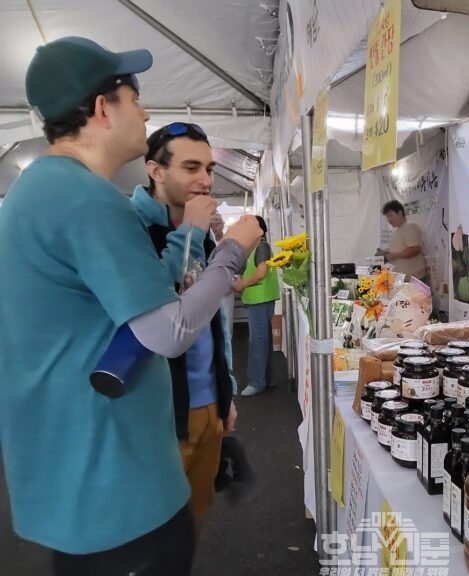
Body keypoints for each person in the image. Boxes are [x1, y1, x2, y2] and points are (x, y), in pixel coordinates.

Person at [0, 37, 262, 576]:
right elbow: (169, 329)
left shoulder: (41, 191)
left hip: (81, 473)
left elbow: (143, 296)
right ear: (103, 108)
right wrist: (233, 249)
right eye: (134, 97)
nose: (143, 112)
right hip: (112, 482)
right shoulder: (87, 200)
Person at [131, 122, 238, 532]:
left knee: (194, 517)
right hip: (156, 414)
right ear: (156, 170)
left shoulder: (204, 235)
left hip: (207, 402)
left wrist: (224, 388)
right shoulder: (130, 227)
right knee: (153, 528)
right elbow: (153, 302)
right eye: (191, 167)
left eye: (209, 168)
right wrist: (191, 230)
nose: (205, 180)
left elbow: (215, 315)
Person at [234, 216, 280, 396]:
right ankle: (267, 379)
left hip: (260, 300)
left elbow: (260, 273)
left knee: (257, 342)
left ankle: (257, 381)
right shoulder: (256, 248)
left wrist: (242, 284)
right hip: (259, 299)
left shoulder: (261, 247)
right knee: (263, 340)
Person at [379, 200, 429, 285]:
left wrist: (394, 255)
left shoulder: (410, 226)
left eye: (391, 215)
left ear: (400, 212)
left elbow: (415, 249)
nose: (389, 219)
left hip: (414, 279)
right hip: (402, 279)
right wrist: (386, 252)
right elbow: (400, 248)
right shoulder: (396, 230)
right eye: (387, 217)